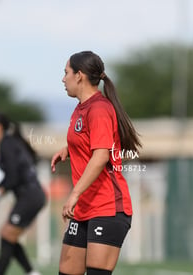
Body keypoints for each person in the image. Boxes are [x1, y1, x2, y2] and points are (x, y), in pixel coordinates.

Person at [51, 51, 141, 275]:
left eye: (66, 73)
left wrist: (74, 194)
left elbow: (101, 156)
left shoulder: (99, 108)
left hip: (108, 208)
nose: (63, 79)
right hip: (84, 208)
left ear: (79, 75)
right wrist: (69, 150)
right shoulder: (81, 108)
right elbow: (91, 142)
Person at [0, 113, 46, 275]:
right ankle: (31, 272)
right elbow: (13, 175)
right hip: (29, 196)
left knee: (6, 235)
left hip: (30, 196)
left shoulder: (7, 144)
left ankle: (29, 271)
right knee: (7, 236)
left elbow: (13, 177)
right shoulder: (9, 142)